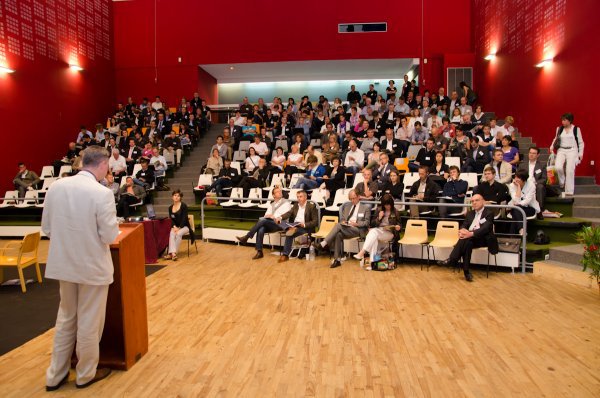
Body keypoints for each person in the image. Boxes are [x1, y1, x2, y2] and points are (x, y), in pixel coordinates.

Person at [43, 146, 118, 390]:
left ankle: (55, 375)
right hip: (92, 268)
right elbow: (108, 235)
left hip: (64, 265)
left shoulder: (56, 187)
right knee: (89, 322)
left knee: (65, 318)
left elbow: (47, 229)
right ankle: (85, 374)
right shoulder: (101, 193)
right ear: (104, 164)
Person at [439, 194, 497, 282]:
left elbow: (486, 228)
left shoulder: (489, 213)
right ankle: (466, 272)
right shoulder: (470, 213)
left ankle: (453, 259)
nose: (474, 203)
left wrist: (471, 234)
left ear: (483, 201)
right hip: (470, 238)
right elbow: (464, 224)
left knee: (466, 239)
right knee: (468, 243)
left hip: (483, 238)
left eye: (477, 200)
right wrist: (462, 231)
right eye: (472, 201)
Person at [316, 190, 371, 268]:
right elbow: (342, 219)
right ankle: (337, 260)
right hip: (347, 228)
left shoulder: (365, 208)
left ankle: (323, 243)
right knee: (338, 234)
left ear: (358, 197)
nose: (352, 200)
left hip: (358, 229)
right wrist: (344, 222)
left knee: (338, 226)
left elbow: (367, 223)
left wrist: (356, 224)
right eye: (350, 199)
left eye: (354, 198)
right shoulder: (347, 206)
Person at [236, 186, 292, 259]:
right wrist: (270, 216)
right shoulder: (271, 205)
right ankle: (259, 252)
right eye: (277, 192)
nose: (280, 192)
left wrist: (273, 216)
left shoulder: (286, 203)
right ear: (273, 195)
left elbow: (284, 215)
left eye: (280, 191)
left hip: (281, 224)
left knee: (262, 221)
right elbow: (266, 215)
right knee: (261, 228)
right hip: (271, 224)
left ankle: (247, 237)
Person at [353, 194, 401, 268]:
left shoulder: (395, 211)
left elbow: (399, 224)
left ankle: (362, 252)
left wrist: (398, 227)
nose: (387, 206)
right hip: (379, 230)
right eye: (385, 205)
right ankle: (372, 263)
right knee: (373, 234)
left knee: (373, 232)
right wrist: (379, 217)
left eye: (388, 205)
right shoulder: (379, 210)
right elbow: (372, 223)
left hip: (390, 233)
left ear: (391, 204)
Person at [277, 190, 319, 263]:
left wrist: (304, 224)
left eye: (300, 197)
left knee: (289, 234)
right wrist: (280, 217)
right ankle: (290, 228)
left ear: (305, 197)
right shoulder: (296, 205)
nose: (299, 198)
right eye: (297, 197)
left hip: (305, 227)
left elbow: (315, 222)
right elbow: (289, 213)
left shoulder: (311, 206)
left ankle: (285, 255)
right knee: (281, 222)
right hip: (295, 225)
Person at [550, 113, 584, 195]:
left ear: (570, 121)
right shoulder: (559, 129)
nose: (562, 122)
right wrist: (551, 146)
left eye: (564, 120)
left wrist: (580, 153)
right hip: (561, 150)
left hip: (572, 150)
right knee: (558, 167)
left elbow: (581, 142)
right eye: (562, 120)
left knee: (570, 170)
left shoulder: (576, 129)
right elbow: (556, 138)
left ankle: (569, 191)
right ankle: (562, 182)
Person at [517, 146, 547, 219]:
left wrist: (535, 183)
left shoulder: (542, 165)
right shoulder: (522, 165)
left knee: (540, 187)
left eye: (534, 153)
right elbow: (518, 176)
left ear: (538, 155)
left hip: (535, 184)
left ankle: (540, 209)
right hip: (524, 184)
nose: (531, 155)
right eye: (530, 153)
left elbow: (544, 179)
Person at [164, 189, 194, 261]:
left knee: (178, 233)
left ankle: (171, 254)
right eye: (175, 195)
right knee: (172, 233)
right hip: (176, 227)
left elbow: (184, 219)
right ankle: (173, 254)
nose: (176, 197)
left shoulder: (184, 206)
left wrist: (179, 228)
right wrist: (174, 227)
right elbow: (171, 219)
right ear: (172, 197)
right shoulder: (170, 208)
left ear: (180, 197)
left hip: (185, 226)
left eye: (178, 196)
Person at [508, 170, 540, 235]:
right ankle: (521, 229)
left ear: (524, 179)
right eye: (515, 177)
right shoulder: (512, 185)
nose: (516, 179)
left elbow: (528, 201)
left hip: (529, 208)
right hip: (516, 208)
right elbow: (516, 200)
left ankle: (512, 238)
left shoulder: (531, 185)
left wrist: (519, 204)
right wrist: (518, 187)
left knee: (516, 211)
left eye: (518, 178)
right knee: (516, 210)